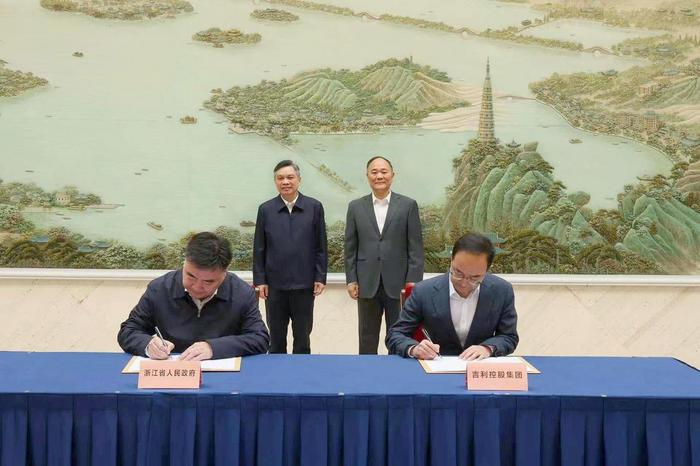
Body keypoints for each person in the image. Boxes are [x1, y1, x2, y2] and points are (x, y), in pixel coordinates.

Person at [117, 232, 270, 360]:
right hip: (171, 373)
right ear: (184, 263)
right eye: (190, 276)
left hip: (221, 374)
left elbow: (260, 338)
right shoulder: (160, 289)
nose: (197, 287)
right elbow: (128, 330)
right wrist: (148, 344)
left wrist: (213, 348)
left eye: (208, 282)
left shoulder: (241, 293)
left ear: (225, 273)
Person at [386, 232, 518, 360]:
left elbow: (509, 336)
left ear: (487, 270)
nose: (464, 283)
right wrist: (414, 349)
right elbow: (396, 334)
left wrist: (487, 348)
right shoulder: (424, 291)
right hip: (436, 366)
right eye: (458, 273)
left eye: (474, 278)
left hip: (479, 367)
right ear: (451, 261)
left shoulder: (502, 291)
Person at [344, 155, 424, 354]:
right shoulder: (355, 207)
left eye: (383, 172)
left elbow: (415, 248)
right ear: (367, 176)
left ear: (392, 175)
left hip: (399, 283)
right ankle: (366, 372)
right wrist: (351, 279)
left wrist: (412, 284)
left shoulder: (408, 205)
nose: (379, 176)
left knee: (399, 335)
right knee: (367, 336)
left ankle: (396, 372)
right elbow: (350, 247)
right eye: (374, 172)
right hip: (366, 282)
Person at [253, 160, 327, 354]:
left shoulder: (314, 207)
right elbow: (259, 248)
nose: (285, 182)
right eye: (280, 178)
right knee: (276, 340)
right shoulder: (266, 209)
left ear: (299, 180)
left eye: (290, 177)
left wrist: (320, 277)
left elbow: (321, 246)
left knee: (303, 338)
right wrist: (260, 281)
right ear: (275, 182)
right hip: (275, 287)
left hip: (304, 285)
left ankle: (301, 373)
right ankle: (277, 373)